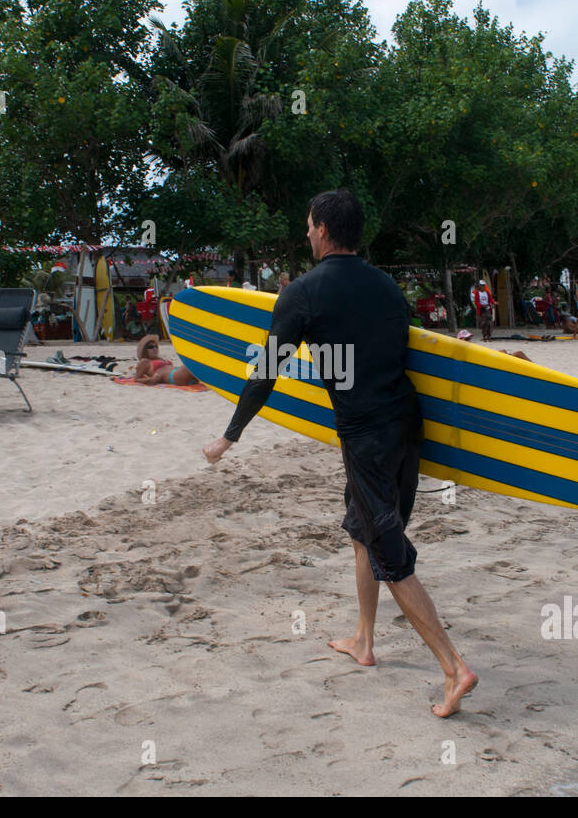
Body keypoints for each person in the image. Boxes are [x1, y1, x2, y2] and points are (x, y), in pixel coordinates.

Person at [201, 189, 477, 717]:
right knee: (364, 531)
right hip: (407, 424)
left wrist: (229, 436)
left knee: (389, 553)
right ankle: (364, 641)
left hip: (365, 435)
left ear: (324, 230)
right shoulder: (387, 286)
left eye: (308, 225)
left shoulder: (303, 293)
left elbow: (266, 371)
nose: (306, 232)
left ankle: (453, 667)